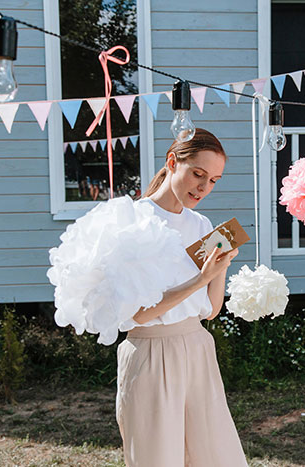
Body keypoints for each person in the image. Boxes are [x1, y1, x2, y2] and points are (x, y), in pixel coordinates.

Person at [115, 128, 248, 467]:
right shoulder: (134, 221)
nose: (204, 188)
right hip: (150, 353)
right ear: (173, 162)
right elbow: (137, 315)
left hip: (198, 349)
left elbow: (211, 310)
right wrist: (200, 278)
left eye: (214, 180)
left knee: (214, 455)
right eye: (198, 174)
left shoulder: (202, 223)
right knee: (157, 457)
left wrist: (221, 267)